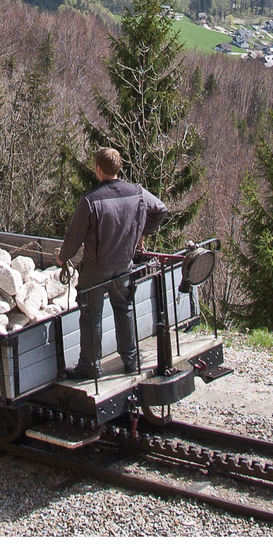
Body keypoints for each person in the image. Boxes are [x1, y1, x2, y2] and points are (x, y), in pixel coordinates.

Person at [56, 147, 168, 379]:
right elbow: (160, 209)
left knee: (91, 315)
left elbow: (74, 237)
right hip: (124, 265)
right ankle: (130, 360)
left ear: (98, 169)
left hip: (95, 269)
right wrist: (140, 233)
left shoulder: (90, 201)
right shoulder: (136, 192)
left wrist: (62, 257)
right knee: (124, 308)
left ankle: (90, 366)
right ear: (119, 169)